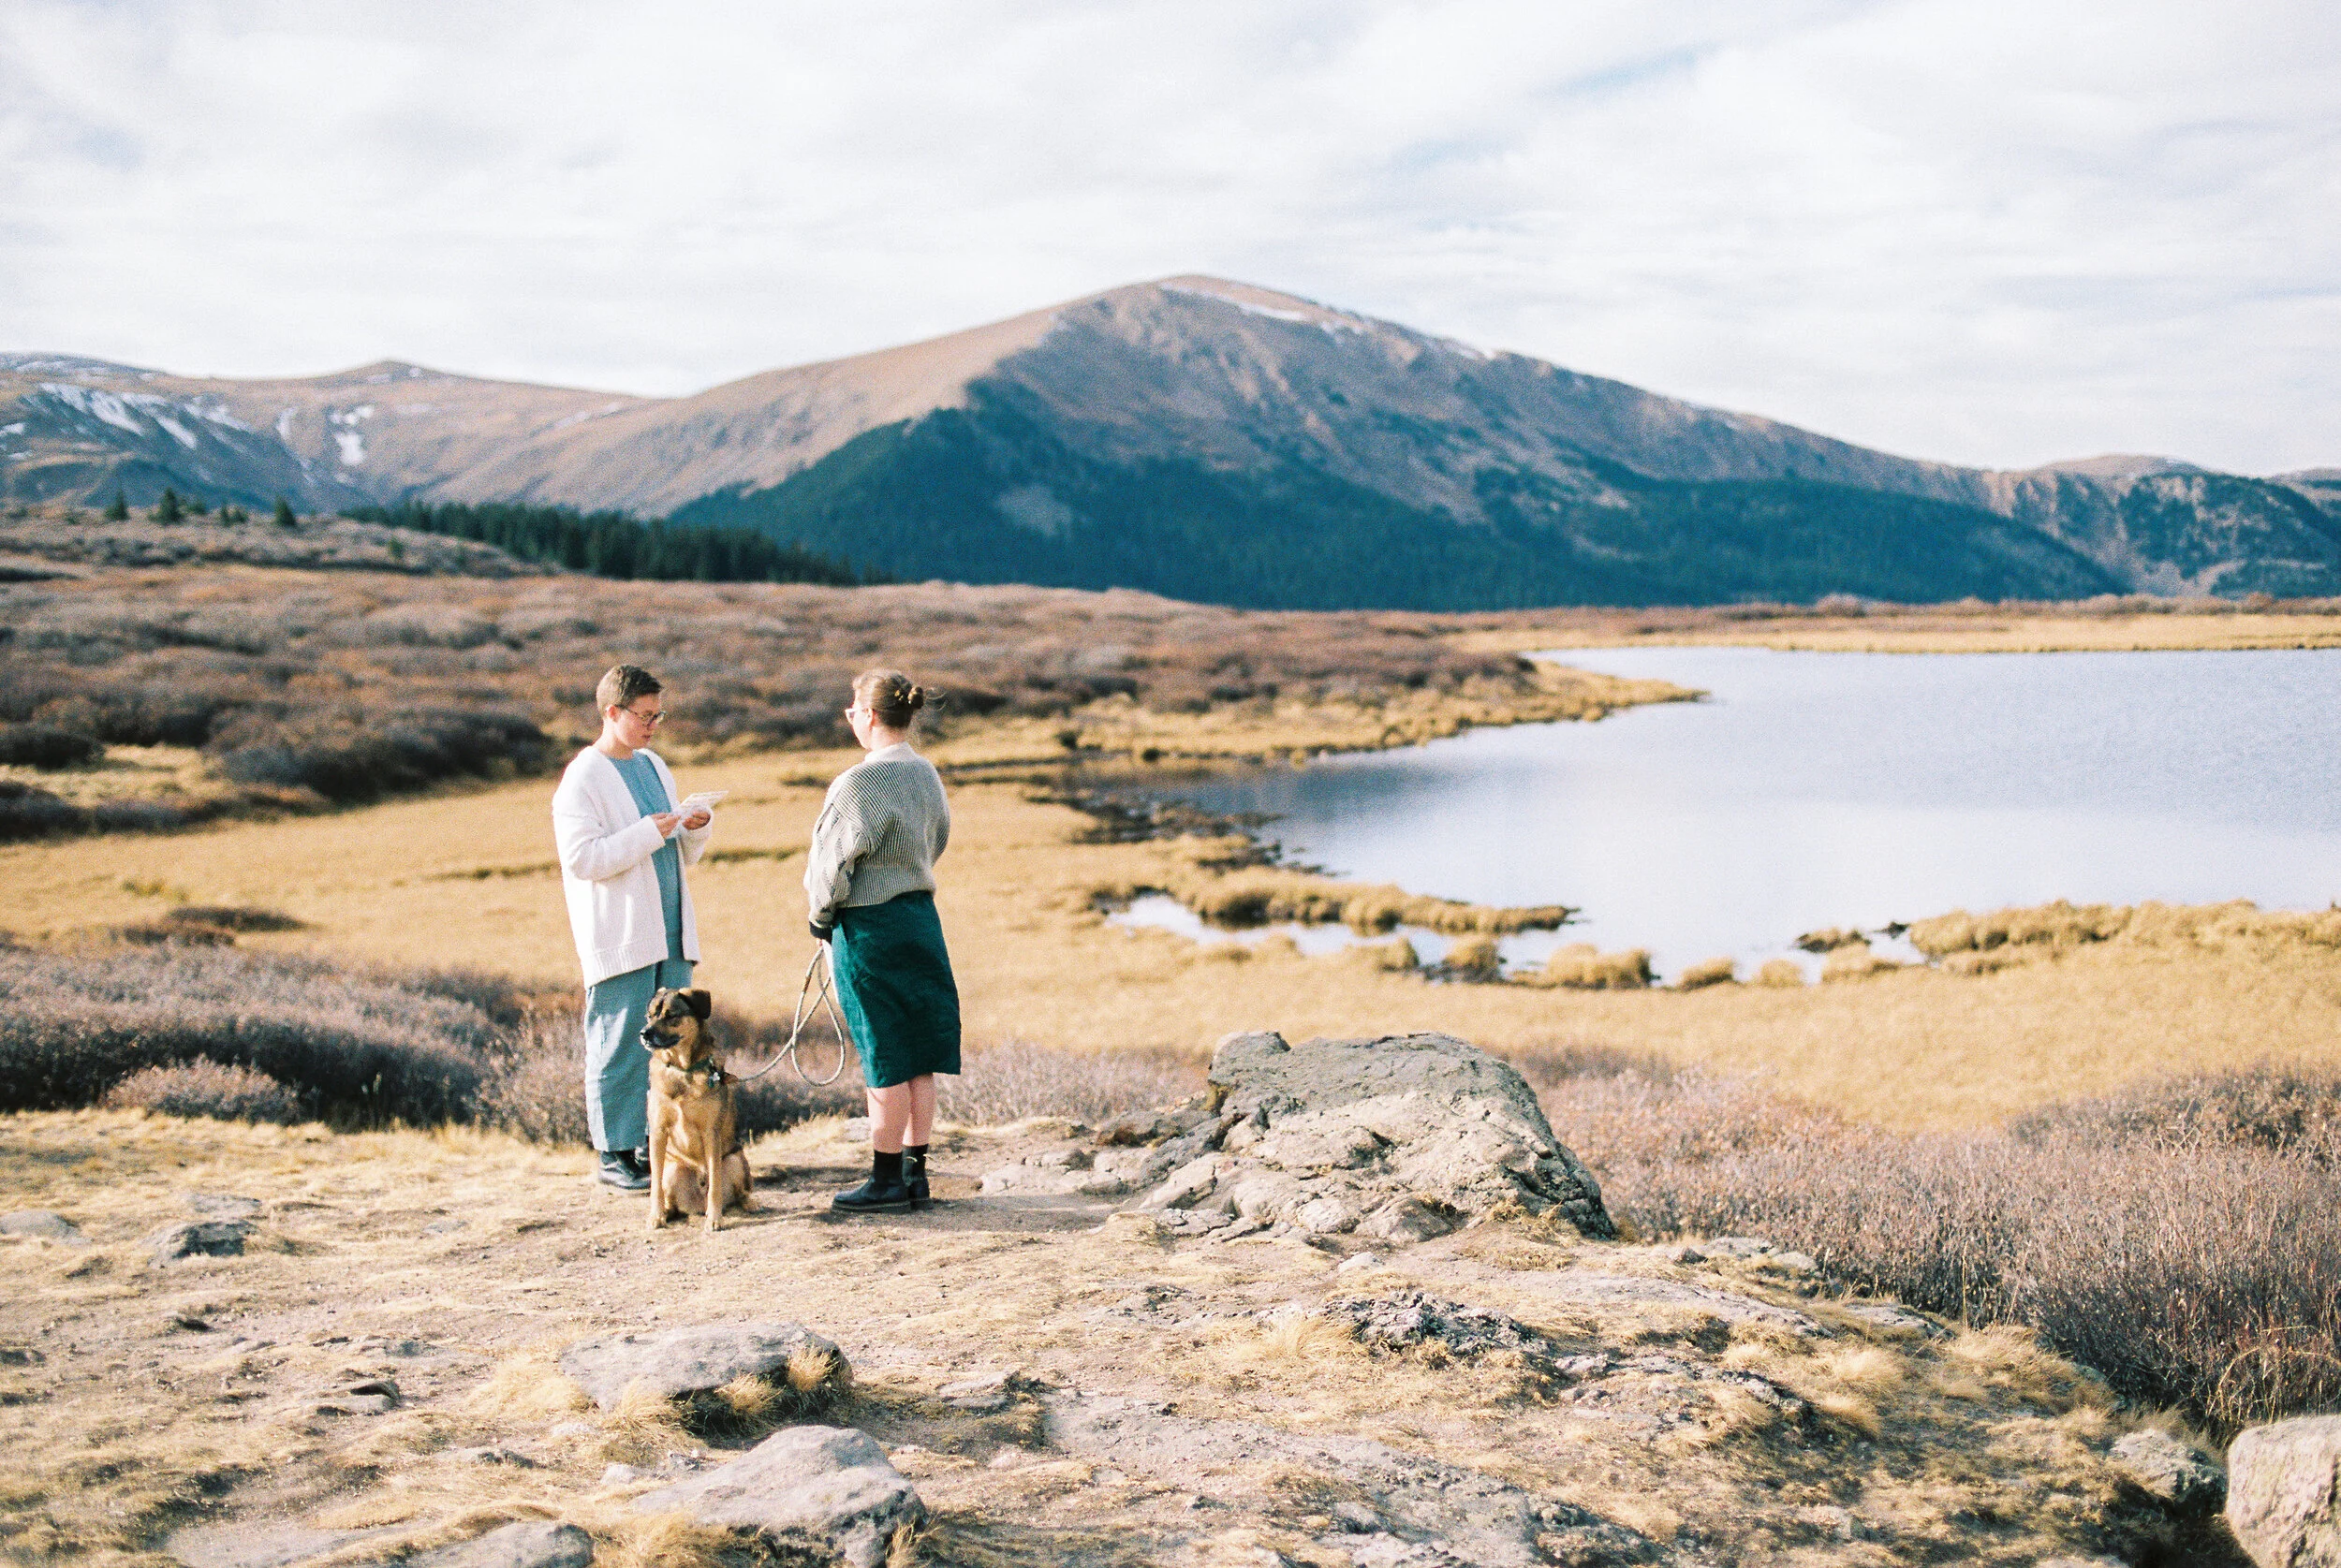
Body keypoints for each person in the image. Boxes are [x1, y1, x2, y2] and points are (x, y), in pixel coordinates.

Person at [803, 668, 962, 1213]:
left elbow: (829, 869)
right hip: (920, 918)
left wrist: (820, 917)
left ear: (868, 716)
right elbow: (938, 838)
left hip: (869, 927)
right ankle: (916, 1174)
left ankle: (884, 1179)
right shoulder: (926, 775)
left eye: (853, 707)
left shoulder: (856, 784)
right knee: (918, 1052)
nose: (850, 716)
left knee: (883, 1051)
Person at [552, 664, 714, 1191]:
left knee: (670, 1043)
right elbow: (583, 860)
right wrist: (650, 831)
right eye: (644, 716)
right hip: (620, 934)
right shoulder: (583, 777)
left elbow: (675, 854)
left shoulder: (654, 765)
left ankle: (652, 1145)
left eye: (658, 715)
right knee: (619, 1040)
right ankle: (613, 1153)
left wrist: (693, 827)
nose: (653, 726)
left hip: (668, 927)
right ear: (611, 713)